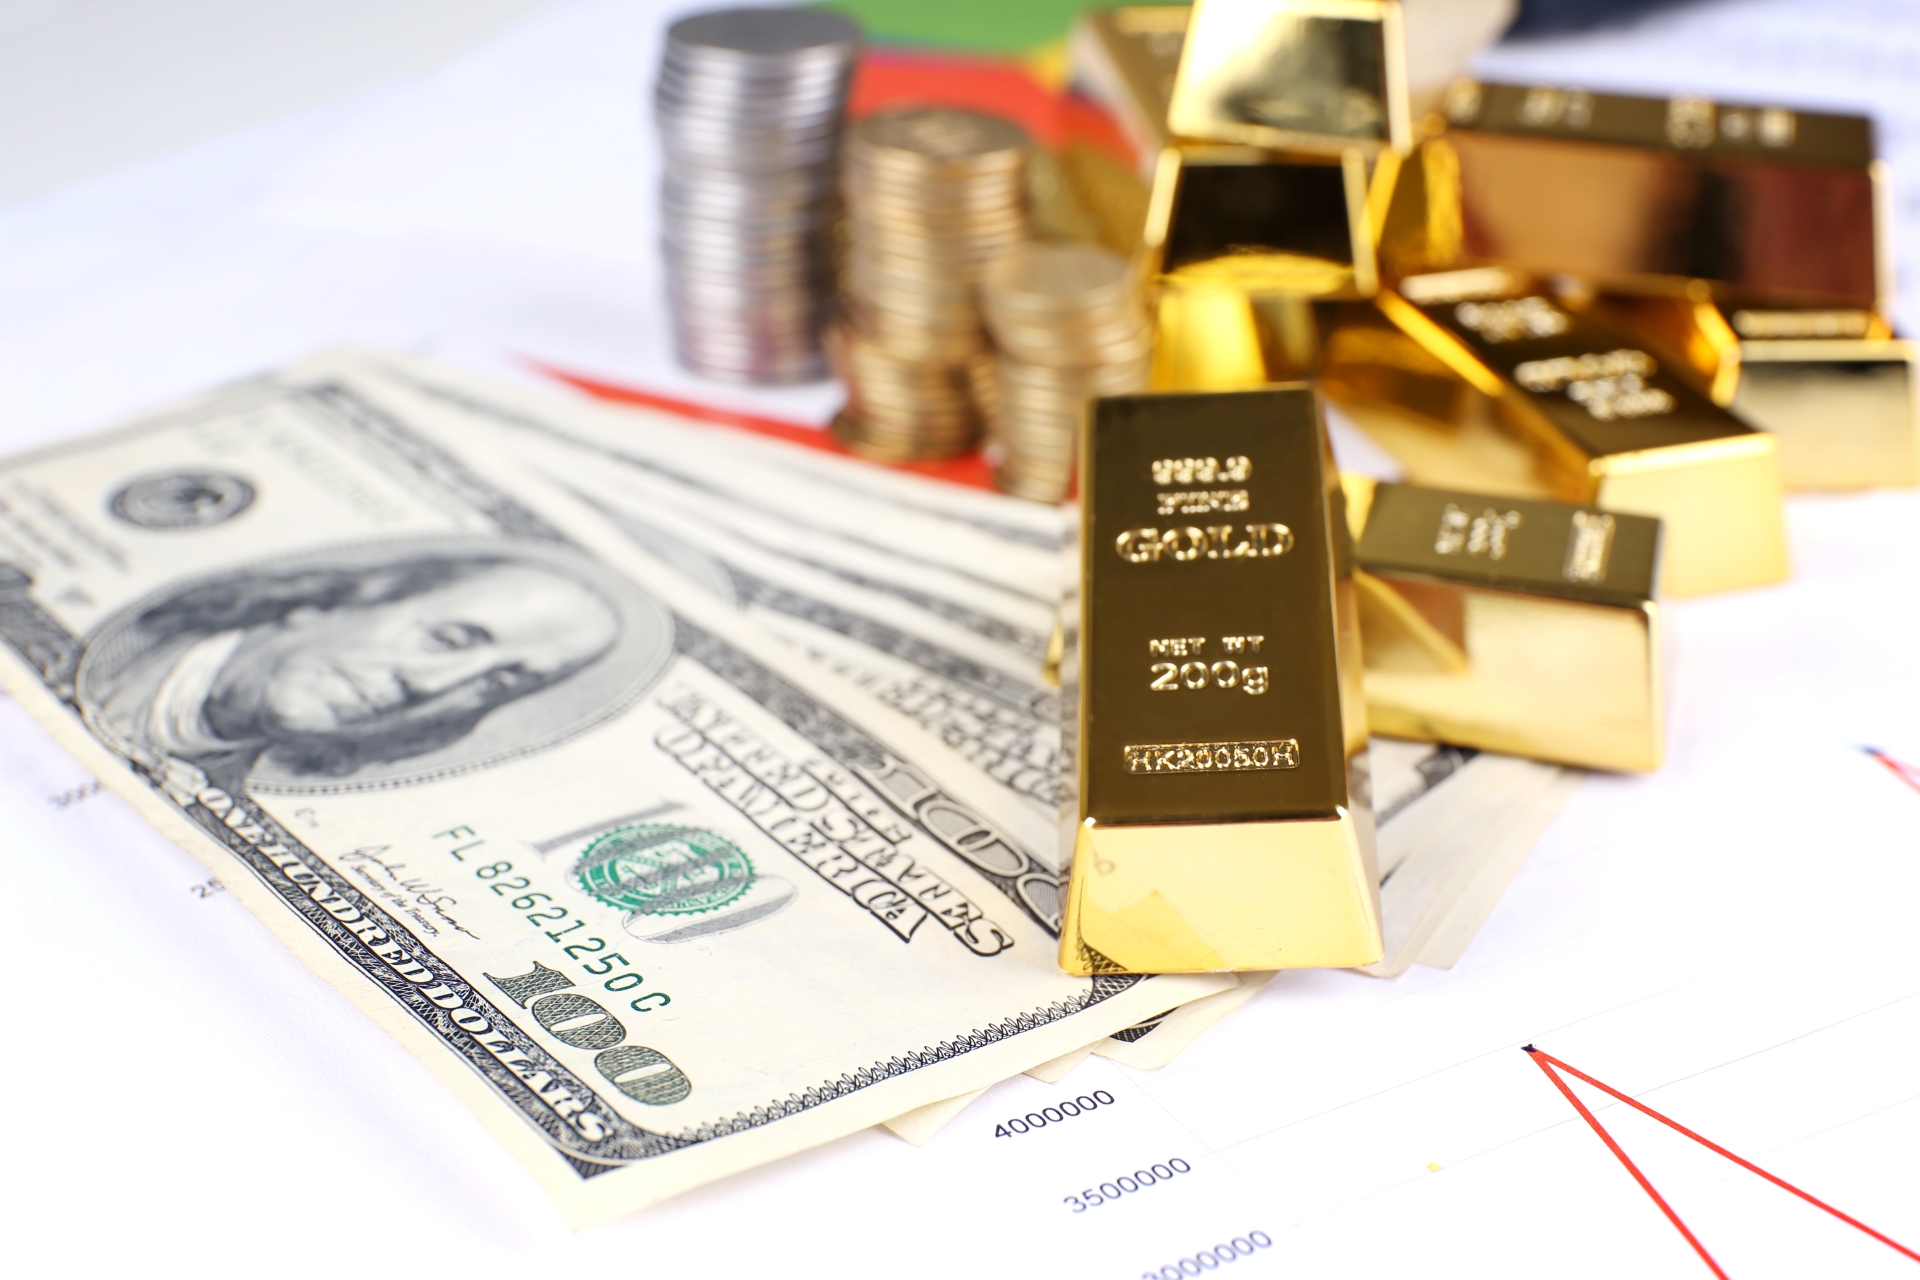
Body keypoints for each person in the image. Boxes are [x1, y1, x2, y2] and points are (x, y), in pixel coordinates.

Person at [87, 553, 621, 781]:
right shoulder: (107, 653)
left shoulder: (213, 796)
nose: (430, 686)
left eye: (497, 682)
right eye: (447, 640)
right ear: (334, 605)